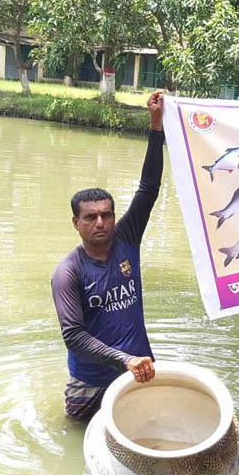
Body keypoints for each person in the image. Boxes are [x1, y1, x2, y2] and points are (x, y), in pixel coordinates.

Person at [51, 90, 165, 421]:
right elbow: (73, 336)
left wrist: (155, 126)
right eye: (90, 217)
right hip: (91, 382)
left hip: (138, 370)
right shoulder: (68, 272)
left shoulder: (126, 238)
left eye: (106, 214)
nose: (100, 222)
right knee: (77, 439)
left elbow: (148, 189)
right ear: (76, 223)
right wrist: (122, 358)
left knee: (150, 433)